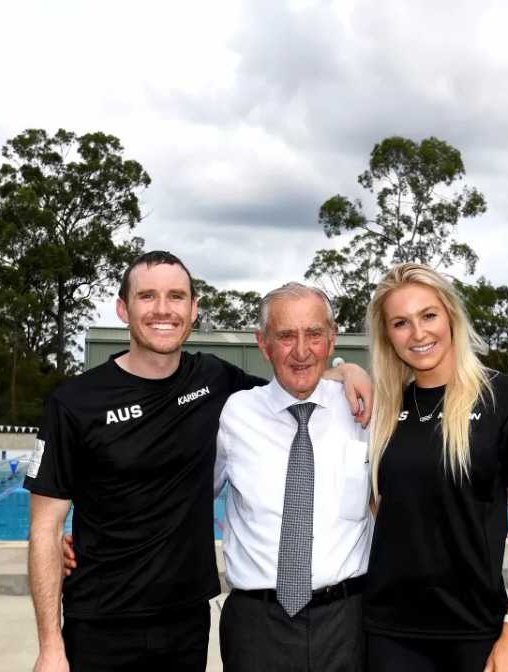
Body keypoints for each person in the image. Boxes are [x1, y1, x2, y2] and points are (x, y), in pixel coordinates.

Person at [24, 251, 373, 672]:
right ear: (123, 308)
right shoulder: (75, 403)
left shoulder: (216, 382)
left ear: (193, 310)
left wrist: (349, 370)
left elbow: (297, 375)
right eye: (147, 296)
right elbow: (44, 526)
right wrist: (50, 647)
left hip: (189, 621)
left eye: (176, 296)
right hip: (104, 620)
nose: (162, 309)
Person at [361, 263, 508, 672]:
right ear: (387, 336)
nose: (418, 333)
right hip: (389, 631)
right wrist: (342, 370)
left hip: (476, 630)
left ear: (450, 315)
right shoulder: (384, 409)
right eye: (401, 323)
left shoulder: (507, 398)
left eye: (428, 315)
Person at [213, 282, 373, 672]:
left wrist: (350, 370)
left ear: (332, 337)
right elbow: (184, 498)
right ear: (263, 344)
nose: (301, 351)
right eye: (286, 336)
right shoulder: (233, 415)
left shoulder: (366, 408)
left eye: (314, 334)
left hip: (348, 623)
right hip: (257, 625)